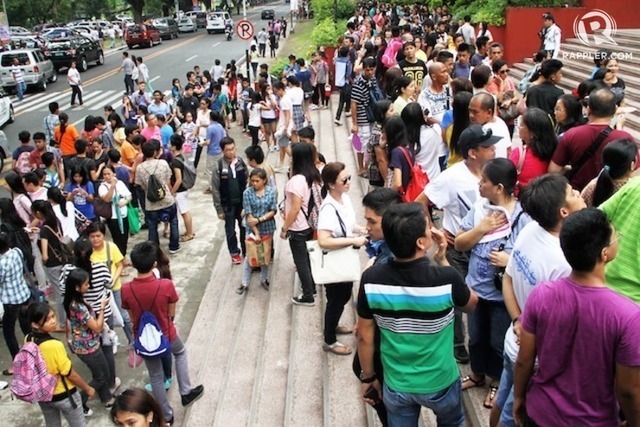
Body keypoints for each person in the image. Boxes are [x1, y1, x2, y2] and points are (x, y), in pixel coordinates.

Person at [513, 208, 640, 425]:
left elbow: (524, 360)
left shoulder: (541, 295)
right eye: (615, 236)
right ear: (604, 254)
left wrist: (518, 398)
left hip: (541, 412)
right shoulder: (627, 315)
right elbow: (627, 389)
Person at [357, 203, 478, 425]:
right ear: (421, 242)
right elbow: (471, 304)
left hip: (397, 383)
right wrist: (443, 260)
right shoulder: (445, 278)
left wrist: (369, 376)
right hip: (440, 380)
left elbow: (364, 335)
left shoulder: (371, 279)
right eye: (428, 225)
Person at [489, 173, 585, 427]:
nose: (578, 193)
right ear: (564, 212)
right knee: (514, 409)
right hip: (533, 357)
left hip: (514, 339)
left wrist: (518, 319)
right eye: (573, 193)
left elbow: (507, 280)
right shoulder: (566, 260)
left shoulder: (531, 229)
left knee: (503, 398)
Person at [416, 125, 500, 364]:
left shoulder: (494, 170)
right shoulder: (451, 177)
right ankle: (457, 343)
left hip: (489, 250)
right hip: (459, 249)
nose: (494, 149)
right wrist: (434, 231)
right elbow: (421, 201)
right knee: (455, 296)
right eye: (488, 146)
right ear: (473, 153)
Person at [454, 159, 528, 409]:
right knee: (475, 337)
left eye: (484, 180)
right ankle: (476, 374)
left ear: (498, 187)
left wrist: (510, 261)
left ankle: (496, 381)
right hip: (475, 289)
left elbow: (529, 257)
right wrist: (482, 228)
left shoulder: (522, 217)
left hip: (501, 296)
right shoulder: (479, 209)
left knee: (498, 340)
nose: (479, 183)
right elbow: (459, 244)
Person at [121, 242, 204, 425]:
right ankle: (186, 392)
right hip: (166, 333)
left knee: (156, 376)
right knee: (180, 353)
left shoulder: (126, 289)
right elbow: (171, 312)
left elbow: (131, 315)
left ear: (134, 265)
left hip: (143, 338)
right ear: (154, 265)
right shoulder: (166, 285)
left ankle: (166, 415)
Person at [317, 163, 367, 355]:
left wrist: (360, 229)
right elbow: (324, 240)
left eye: (348, 178)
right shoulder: (328, 207)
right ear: (331, 184)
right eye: (343, 180)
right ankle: (329, 339)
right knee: (337, 298)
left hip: (344, 257)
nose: (348, 183)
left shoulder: (344, 198)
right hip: (336, 260)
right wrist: (354, 240)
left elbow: (347, 224)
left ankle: (334, 324)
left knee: (342, 296)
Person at [549, 88, 633, 191]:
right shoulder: (625, 138)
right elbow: (632, 171)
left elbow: (553, 170)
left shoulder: (571, 134)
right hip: (610, 198)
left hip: (577, 193)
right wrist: (620, 128)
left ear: (588, 109)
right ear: (615, 109)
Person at [26, 302, 95, 426]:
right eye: (47, 320)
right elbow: (69, 373)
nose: (53, 321)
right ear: (35, 324)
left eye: (53, 316)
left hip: (43, 394)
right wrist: (87, 388)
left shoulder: (28, 339)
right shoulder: (54, 345)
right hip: (64, 395)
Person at [63, 268, 116, 410]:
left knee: (98, 373)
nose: (88, 286)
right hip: (89, 347)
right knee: (102, 376)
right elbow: (97, 328)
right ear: (77, 287)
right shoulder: (78, 306)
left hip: (84, 345)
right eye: (86, 284)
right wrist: (103, 307)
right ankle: (80, 399)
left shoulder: (73, 301)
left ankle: (107, 398)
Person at [281, 143, 322, 306]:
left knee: (301, 261)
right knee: (307, 258)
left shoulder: (296, 181)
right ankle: (311, 288)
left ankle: (308, 295)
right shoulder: (314, 175)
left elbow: (295, 208)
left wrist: (284, 228)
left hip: (297, 226)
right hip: (309, 224)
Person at [85, 221, 132, 347]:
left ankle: (133, 342)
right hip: (98, 292)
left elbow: (120, 264)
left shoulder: (111, 247)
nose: (95, 239)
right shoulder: (87, 251)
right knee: (105, 320)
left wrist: (113, 279)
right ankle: (110, 342)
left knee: (124, 317)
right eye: (92, 236)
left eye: (98, 236)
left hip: (115, 288)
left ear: (103, 236)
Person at [134, 140, 181, 254]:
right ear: (155, 152)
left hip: (151, 203)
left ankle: (154, 249)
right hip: (166, 200)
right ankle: (174, 246)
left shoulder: (140, 168)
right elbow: (168, 180)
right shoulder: (163, 163)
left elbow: (141, 185)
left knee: (152, 226)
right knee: (173, 221)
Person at [237, 168, 277, 294]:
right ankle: (244, 282)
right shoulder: (247, 193)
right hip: (252, 229)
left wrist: (260, 219)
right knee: (250, 254)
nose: (254, 183)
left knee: (264, 255)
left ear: (264, 180)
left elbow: (273, 210)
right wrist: (256, 233)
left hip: (267, 227)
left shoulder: (271, 192)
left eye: (257, 181)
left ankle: (264, 278)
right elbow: (248, 214)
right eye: (252, 181)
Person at [32, 200, 68, 330]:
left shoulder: (44, 230)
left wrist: (43, 262)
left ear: (38, 213)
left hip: (52, 265)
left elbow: (45, 254)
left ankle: (63, 323)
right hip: (62, 260)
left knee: (59, 294)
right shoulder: (55, 221)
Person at [212, 137, 247, 265]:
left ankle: (246, 251)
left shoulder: (240, 163)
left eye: (233, 149)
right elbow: (215, 189)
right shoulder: (219, 166)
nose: (231, 152)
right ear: (223, 151)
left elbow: (248, 180)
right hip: (228, 205)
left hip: (242, 204)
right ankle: (234, 253)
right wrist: (219, 209)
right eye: (228, 150)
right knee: (230, 230)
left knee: (244, 228)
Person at [0, 231, 31, 376]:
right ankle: (35, 353)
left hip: (11, 300)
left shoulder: (2, 263)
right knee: (27, 328)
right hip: (24, 294)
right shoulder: (16, 252)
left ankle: (18, 364)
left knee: (9, 332)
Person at [509, 108, 557, 190]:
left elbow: (507, 178)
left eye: (522, 125)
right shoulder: (555, 152)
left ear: (532, 133)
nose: (519, 127)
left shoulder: (518, 153)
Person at [350, 57, 381, 176]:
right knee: (360, 142)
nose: (369, 72)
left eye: (371, 69)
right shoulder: (358, 83)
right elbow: (354, 103)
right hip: (362, 116)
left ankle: (369, 165)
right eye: (367, 70)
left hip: (372, 114)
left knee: (371, 141)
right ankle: (361, 167)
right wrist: (355, 123)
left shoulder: (373, 80)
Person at [98, 165, 132, 255]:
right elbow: (107, 199)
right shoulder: (102, 187)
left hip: (123, 213)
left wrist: (125, 201)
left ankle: (123, 256)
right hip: (112, 216)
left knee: (124, 237)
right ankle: (120, 258)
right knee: (117, 239)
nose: (107, 176)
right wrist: (112, 186)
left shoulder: (120, 183)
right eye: (104, 174)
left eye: (109, 174)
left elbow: (129, 195)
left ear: (114, 174)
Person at [468, 93, 512, 158]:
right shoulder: (500, 122)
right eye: (469, 111)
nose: (471, 115)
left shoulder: (483, 131)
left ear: (489, 112)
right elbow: (508, 150)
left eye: (475, 112)